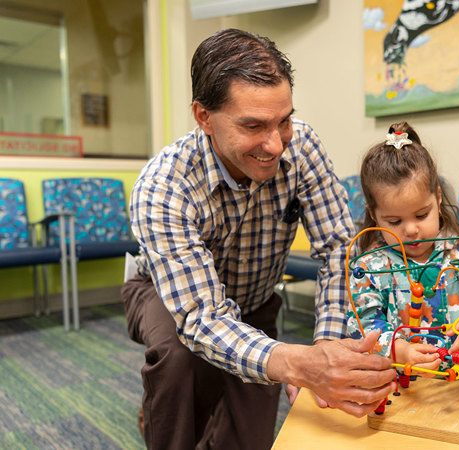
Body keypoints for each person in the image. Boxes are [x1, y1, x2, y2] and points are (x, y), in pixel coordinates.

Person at [121, 29, 395, 449]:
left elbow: (339, 248)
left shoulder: (301, 145)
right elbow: (202, 318)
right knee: (179, 363)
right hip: (169, 298)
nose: (275, 144)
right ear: (203, 117)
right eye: (253, 125)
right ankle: (165, 418)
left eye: (282, 120)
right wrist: (296, 363)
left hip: (255, 299)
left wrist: (325, 349)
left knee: (248, 439)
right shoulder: (163, 188)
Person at [347, 121, 459, 379]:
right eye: (394, 221)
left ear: (437, 198)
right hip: (401, 394)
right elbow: (362, 326)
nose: (411, 230)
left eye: (421, 215)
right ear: (374, 215)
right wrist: (399, 351)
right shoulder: (368, 268)